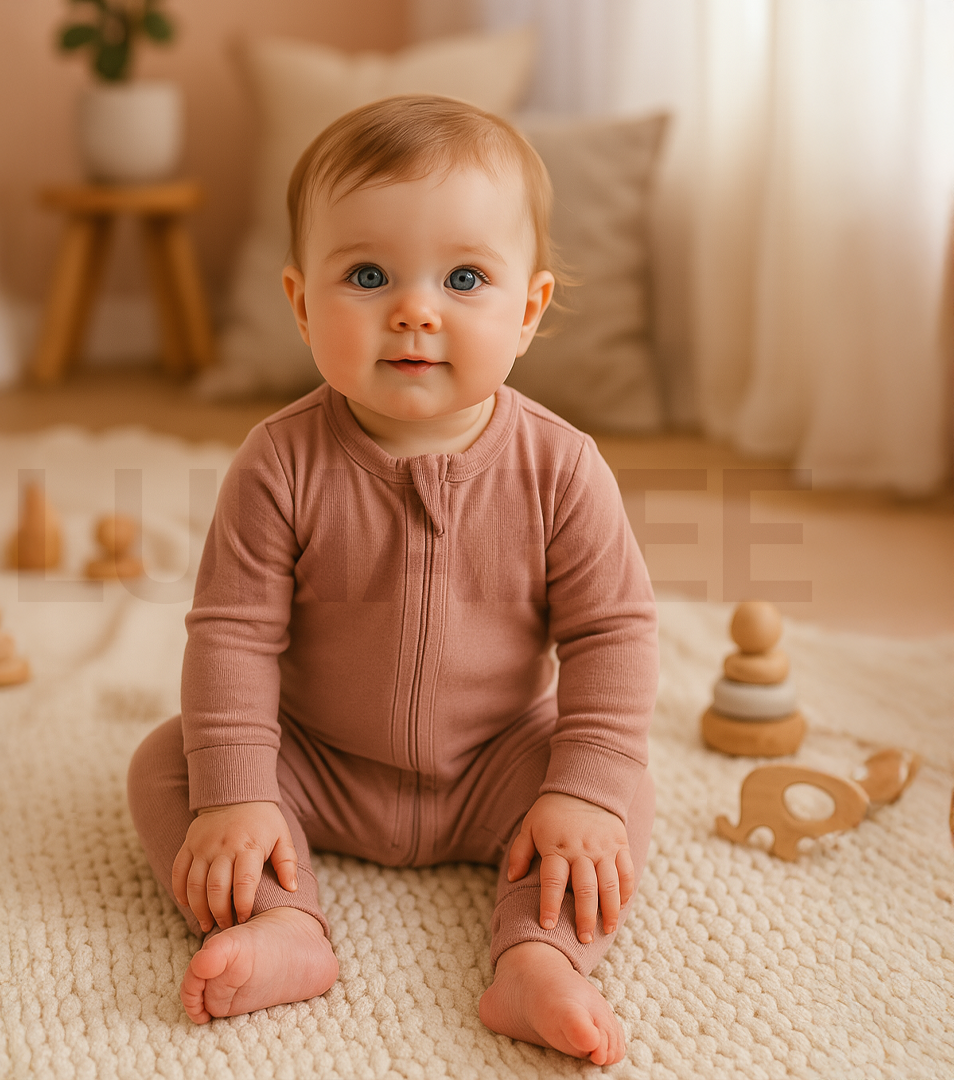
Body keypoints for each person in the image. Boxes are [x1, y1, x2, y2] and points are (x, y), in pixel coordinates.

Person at [128, 94, 658, 1067]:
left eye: (464, 278)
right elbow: (234, 636)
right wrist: (242, 794)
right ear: (299, 303)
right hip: (319, 761)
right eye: (367, 276)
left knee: (613, 799)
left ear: (530, 310)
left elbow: (612, 636)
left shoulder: (564, 467)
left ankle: (539, 958)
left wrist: (584, 790)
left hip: (495, 762)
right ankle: (286, 923)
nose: (415, 310)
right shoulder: (278, 462)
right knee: (173, 766)